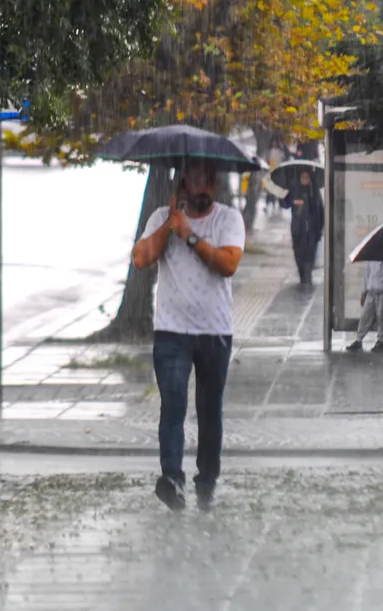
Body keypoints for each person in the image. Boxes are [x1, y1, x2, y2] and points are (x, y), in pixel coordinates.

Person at [131, 161, 247, 511]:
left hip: (215, 332)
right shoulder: (161, 220)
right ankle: (172, 480)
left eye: (210, 180)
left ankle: (206, 481)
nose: (205, 186)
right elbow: (140, 259)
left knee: (210, 411)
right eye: (197, 179)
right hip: (172, 332)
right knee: (173, 405)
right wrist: (171, 226)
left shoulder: (228, 219)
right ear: (182, 183)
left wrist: (190, 237)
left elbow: (228, 264)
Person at [281, 169, 324, 285]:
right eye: (303, 177)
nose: (305, 179)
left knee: (309, 259)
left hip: (311, 233)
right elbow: (284, 204)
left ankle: (307, 279)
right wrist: (284, 193)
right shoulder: (295, 190)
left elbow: (321, 212)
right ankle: (302, 278)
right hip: (297, 231)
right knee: (299, 257)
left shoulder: (314, 193)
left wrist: (319, 231)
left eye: (307, 177)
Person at [346, 261, 383, 353]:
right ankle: (359, 339)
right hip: (371, 291)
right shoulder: (371, 261)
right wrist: (364, 292)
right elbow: (366, 276)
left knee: (382, 316)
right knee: (365, 316)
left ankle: (381, 340)